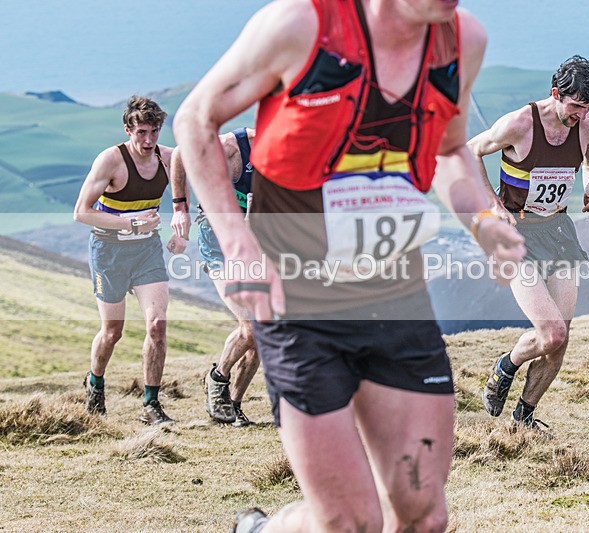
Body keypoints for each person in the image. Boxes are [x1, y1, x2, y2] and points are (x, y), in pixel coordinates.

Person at [173, 0, 525, 531]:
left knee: (424, 515)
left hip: (396, 299)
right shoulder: (302, 25)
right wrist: (237, 242)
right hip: (298, 304)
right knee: (350, 523)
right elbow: (195, 121)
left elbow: (450, 149)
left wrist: (482, 220)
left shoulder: (460, 40)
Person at [467, 55, 589, 435]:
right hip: (516, 232)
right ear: (556, 93)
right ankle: (506, 366)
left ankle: (523, 419)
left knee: (560, 342)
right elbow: (470, 151)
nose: (581, 115)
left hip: (558, 231)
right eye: (576, 106)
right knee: (551, 333)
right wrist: (494, 205)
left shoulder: (588, 126)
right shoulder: (520, 124)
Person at [73, 95, 183, 425]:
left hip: (147, 251)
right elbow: (81, 212)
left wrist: (181, 227)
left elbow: (182, 196)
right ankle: (95, 385)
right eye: (141, 133)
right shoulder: (110, 160)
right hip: (108, 252)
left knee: (157, 325)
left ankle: (151, 404)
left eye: (154, 132)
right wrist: (131, 223)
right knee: (112, 332)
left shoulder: (170, 159)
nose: (148, 141)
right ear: (128, 130)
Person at [170, 128, 260, 427]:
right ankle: (217, 378)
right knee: (250, 327)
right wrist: (179, 207)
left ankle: (233, 406)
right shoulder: (233, 146)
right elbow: (181, 152)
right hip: (218, 240)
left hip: (252, 242)